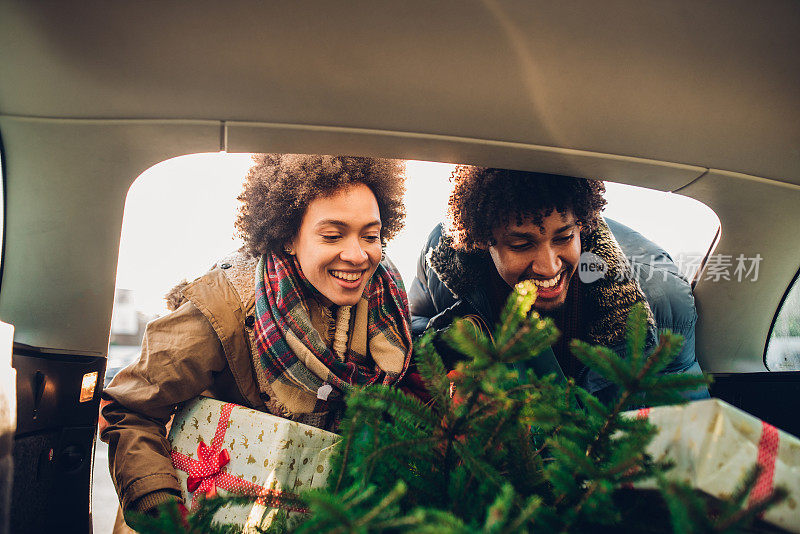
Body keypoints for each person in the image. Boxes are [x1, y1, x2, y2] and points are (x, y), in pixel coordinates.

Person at [100, 154, 414, 522]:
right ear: (288, 238)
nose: (358, 254)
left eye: (371, 236)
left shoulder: (387, 305)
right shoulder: (223, 304)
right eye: (332, 235)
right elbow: (130, 409)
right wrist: (160, 506)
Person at [410, 165, 707, 404]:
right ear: (482, 241)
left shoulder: (659, 300)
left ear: (583, 223)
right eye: (521, 244)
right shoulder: (443, 257)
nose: (549, 266)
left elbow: (686, 435)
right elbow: (414, 326)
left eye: (564, 238)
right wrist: (453, 350)